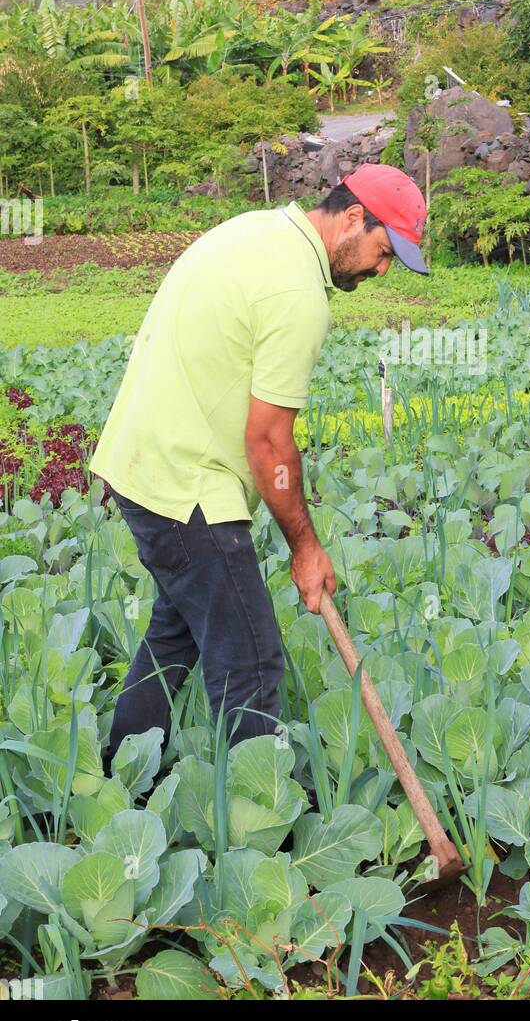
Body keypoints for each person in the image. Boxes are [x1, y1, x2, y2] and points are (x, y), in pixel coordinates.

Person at [90, 162, 427, 769]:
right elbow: (270, 443)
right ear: (353, 217)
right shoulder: (298, 293)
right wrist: (306, 548)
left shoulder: (257, 231)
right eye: (383, 252)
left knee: (174, 636)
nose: (381, 271)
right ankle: (259, 815)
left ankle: (123, 776)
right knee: (249, 661)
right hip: (188, 485)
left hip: (143, 465)